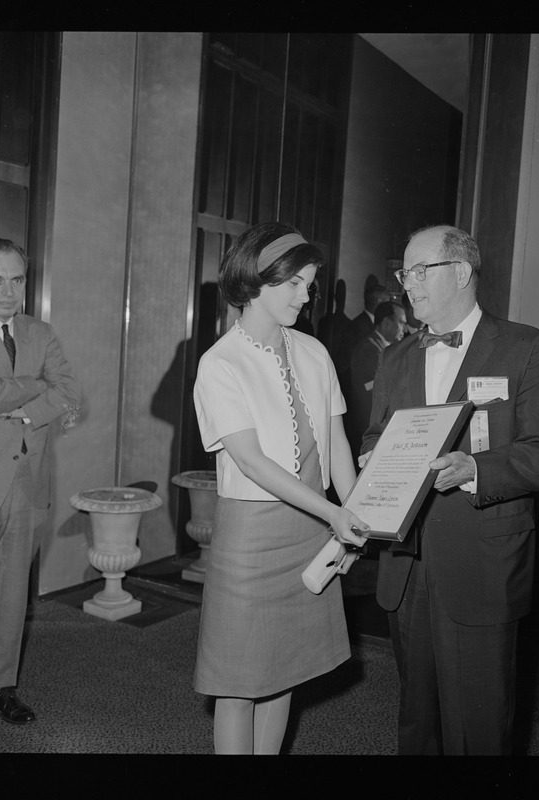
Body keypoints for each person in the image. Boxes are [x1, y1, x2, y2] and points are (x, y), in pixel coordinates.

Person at [361, 225, 539, 755]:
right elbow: (377, 436)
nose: (406, 284)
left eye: (418, 270)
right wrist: (373, 461)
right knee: (417, 721)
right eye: (403, 273)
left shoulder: (528, 348)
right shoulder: (396, 358)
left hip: (482, 560)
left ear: (460, 272)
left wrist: (474, 470)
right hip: (406, 564)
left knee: (478, 728)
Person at [192, 221, 369, 755]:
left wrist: (359, 511)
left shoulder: (314, 351)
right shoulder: (220, 363)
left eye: (310, 284)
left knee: (284, 668)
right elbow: (250, 460)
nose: (306, 295)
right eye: (294, 284)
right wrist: (333, 513)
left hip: (313, 528)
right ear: (254, 283)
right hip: (252, 535)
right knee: (237, 679)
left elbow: (337, 441)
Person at [0, 236, 82, 737]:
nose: (8, 292)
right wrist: (37, 386)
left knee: (12, 593)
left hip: (30, 482)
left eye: (17, 279)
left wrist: (23, 405)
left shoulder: (40, 331)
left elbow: (71, 392)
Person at [345, 300, 406, 460]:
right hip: (367, 428)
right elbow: (373, 388)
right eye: (401, 322)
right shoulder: (369, 349)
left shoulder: (381, 348)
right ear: (386, 322)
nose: (404, 329)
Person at [316, 278, 350, 354]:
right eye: (339, 295)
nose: (341, 299)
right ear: (335, 297)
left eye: (342, 296)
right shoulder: (324, 322)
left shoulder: (349, 324)